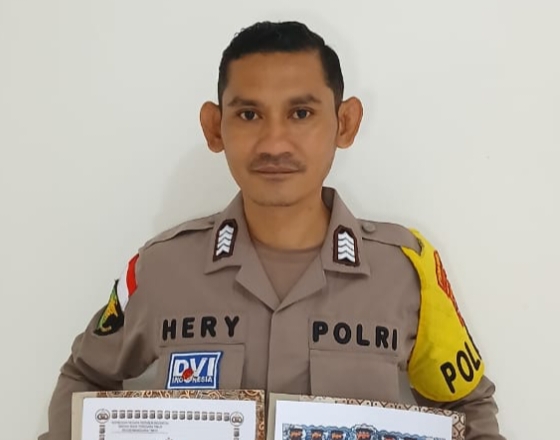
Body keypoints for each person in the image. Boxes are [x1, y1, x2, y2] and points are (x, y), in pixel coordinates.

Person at [39, 20, 505, 440]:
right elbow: (85, 375)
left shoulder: (406, 273)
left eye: (301, 113)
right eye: (249, 114)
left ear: (345, 123)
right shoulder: (160, 269)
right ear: (215, 127)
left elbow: (468, 406)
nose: (274, 142)